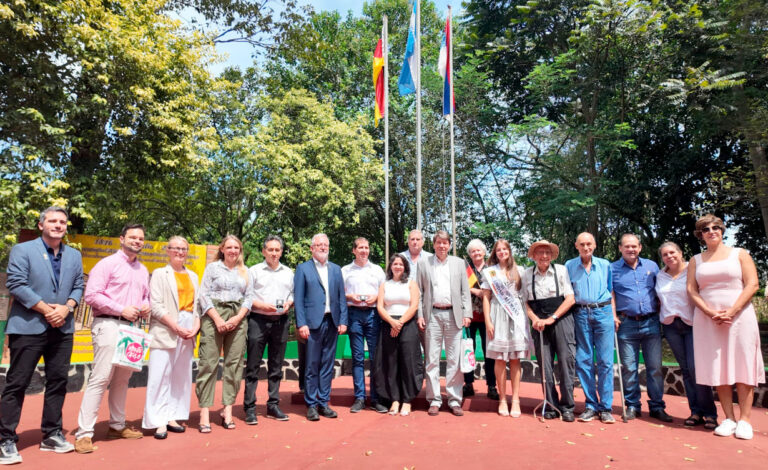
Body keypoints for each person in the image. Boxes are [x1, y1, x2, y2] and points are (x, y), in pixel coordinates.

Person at [0, 207, 84, 463]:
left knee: (58, 382)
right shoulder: (23, 250)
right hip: (28, 327)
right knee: (17, 383)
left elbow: (79, 285)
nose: (58, 225)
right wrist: (48, 309)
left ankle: (52, 434)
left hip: (63, 328)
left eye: (62, 222)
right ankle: (5, 439)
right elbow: (16, 283)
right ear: (41, 225)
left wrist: (67, 307)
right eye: (53, 221)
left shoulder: (74, 255)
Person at [687, 214, 765, 439]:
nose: (711, 231)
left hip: (740, 318)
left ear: (722, 231)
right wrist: (711, 313)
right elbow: (692, 291)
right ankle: (729, 418)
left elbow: (752, 285)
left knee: (743, 365)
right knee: (718, 367)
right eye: (706, 229)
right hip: (708, 320)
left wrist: (731, 311)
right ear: (700, 235)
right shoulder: (696, 260)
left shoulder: (740, 254)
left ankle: (745, 420)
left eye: (715, 228)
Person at [74, 224, 150, 453]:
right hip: (108, 324)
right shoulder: (106, 264)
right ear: (121, 239)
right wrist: (120, 309)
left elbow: (146, 296)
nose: (137, 241)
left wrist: (146, 306)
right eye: (133, 237)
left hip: (133, 328)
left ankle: (117, 425)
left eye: (140, 238)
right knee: (101, 378)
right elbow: (91, 295)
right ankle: (84, 434)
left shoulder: (143, 270)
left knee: (122, 380)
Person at [655, 241, 717, 430]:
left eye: (672, 252)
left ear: (681, 253)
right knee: (686, 371)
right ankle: (695, 411)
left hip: (692, 324)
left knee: (696, 368)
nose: (669, 257)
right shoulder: (660, 275)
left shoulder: (693, 269)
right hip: (671, 326)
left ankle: (710, 414)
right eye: (665, 254)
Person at [196, 235, 255, 433]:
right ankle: (204, 411)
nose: (233, 251)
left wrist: (237, 318)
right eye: (229, 247)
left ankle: (227, 410)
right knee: (208, 363)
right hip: (214, 315)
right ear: (222, 249)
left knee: (234, 364)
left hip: (238, 317)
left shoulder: (246, 271)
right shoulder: (213, 268)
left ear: (240, 250)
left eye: (236, 248)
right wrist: (218, 319)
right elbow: (203, 294)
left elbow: (249, 297)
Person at [142, 236, 200, 439]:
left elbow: (197, 306)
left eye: (183, 249)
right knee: (160, 375)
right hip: (166, 328)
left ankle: (172, 416)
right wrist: (175, 326)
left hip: (187, 330)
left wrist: (195, 327)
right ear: (167, 250)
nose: (180, 252)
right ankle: (158, 420)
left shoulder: (193, 276)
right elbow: (156, 305)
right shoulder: (160, 274)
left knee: (180, 376)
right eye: (175, 248)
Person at [611, 234, 672, 423]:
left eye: (634, 246)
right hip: (626, 324)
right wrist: (613, 316)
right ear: (620, 248)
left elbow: (660, 290)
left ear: (640, 247)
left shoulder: (652, 266)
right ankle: (632, 406)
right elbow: (611, 294)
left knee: (654, 368)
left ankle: (656, 407)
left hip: (650, 323)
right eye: (627, 246)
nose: (631, 249)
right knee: (629, 368)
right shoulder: (612, 269)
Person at [565, 232, 619, 424]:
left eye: (589, 244)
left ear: (594, 245)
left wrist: (613, 315)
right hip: (580, 314)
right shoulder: (569, 266)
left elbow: (611, 290)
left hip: (603, 312)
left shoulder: (605, 265)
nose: (586, 247)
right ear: (576, 246)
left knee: (605, 361)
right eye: (582, 244)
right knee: (584, 360)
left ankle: (605, 407)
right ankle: (590, 405)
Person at [294, 233, 348, 421]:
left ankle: (323, 402)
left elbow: (341, 297)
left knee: (327, 364)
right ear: (312, 248)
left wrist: (343, 320)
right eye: (319, 245)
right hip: (312, 324)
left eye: (325, 244)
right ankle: (311, 404)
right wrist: (301, 323)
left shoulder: (335, 269)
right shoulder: (303, 269)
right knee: (311, 364)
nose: (323, 247)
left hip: (332, 322)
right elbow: (298, 299)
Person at [417, 230, 471, 417]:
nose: (442, 246)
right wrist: (420, 314)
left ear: (449, 245)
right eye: (438, 242)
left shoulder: (458, 263)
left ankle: (455, 400)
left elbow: (465, 291)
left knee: (454, 361)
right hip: (432, 315)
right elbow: (420, 292)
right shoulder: (424, 264)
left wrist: (467, 314)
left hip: (454, 315)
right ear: (433, 244)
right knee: (431, 360)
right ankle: (434, 400)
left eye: (445, 243)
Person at [522, 240, 576, 422]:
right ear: (534, 256)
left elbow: (570, 299)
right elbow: (525, 302)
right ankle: (550, 404)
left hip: (561, 319)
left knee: (566, 361)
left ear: (552, 255)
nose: (544, 256)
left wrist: (552, 318)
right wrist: (535, 319)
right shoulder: (527, 274)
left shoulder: (561, 270)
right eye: (540, 253)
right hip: (539, 323)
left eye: (547, 252)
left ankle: (567, 406)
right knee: (544, 364)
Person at [243, 235, 294, 425]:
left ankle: (273, 404)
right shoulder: (253, 271)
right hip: (258, 320)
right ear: (264, 251)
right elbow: (247, 296)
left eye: (277, 250)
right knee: (253, 366)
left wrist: (289, 303)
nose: (274, 253)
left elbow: (293, 294)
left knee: (276, 366)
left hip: (281, 321)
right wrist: (262, 306)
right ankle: (249, 407)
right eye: (270, 250)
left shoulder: (288, 272)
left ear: (281, 251)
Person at [481, 239, 532, 417]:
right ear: (495, 253)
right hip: (497, 315)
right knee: (500, 360)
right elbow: (486, 297)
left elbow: (525, 297)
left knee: (516, 359)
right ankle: (502, 399)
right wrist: (488, 320)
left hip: (516, 316)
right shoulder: (490, 272)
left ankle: (515, 399)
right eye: (499, 250)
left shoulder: (521, 271)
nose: (502, 252)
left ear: (510, 251)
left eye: (505, 249)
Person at [373, 254, 423, 416]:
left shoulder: (411, 283)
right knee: (390, 363)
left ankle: (407, 400)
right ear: (390, 267)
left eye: (401, 264)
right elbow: (380, 307)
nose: (398, 267)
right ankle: (394, 399)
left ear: (405, 267)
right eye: (395, 264)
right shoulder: (384, 284)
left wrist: (400, 322)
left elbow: (414, 305)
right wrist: (392, 322)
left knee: (408, 362)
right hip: (388, 325)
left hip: (407, 325)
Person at [341, 238, 387, 413]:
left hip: (373, 315)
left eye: (366, 247)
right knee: (358, 358)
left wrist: (376, 298)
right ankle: (360, 397)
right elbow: (339, 295)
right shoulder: (345, 270)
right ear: (354, 250)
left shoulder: (376, 270)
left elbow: (384, 291)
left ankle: (376, 398)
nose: (364, 251)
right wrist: (349, 297)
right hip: (354, 315)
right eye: (360, 247)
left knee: (376, 358)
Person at [462, 239, 498, 400]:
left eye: (478, 251)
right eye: (473, 251)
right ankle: (468, 383)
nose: (476, 253)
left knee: (489, 352)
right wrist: (475, 291)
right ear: (470, 254)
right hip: (469, 316)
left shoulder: (492, 269)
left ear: (484, 252)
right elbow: (459, 287)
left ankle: (492, 386)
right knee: (467, 350)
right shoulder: (465, 270)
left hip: (488, 317)